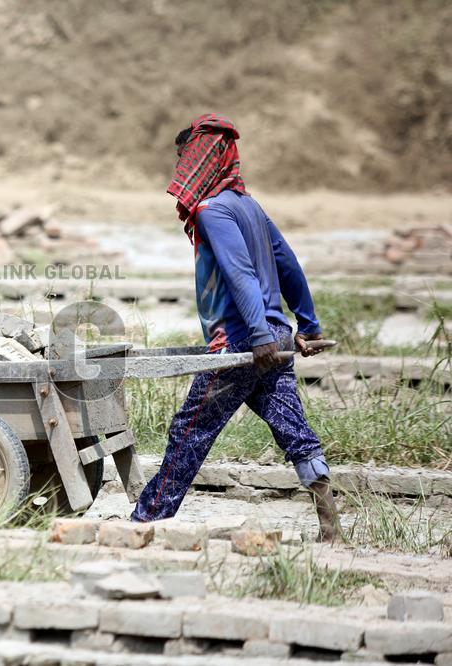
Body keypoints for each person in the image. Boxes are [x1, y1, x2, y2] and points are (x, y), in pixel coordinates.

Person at [130, 114, 340, 541]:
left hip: (245, 342)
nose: (181, 169)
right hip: (277, 336)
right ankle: (330, 525)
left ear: (201, 159)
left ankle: (146, 523)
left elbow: (240, 272)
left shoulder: (211, 211)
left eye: (184, 158)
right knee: (291, 425)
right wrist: (308, 326)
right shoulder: (250, 206)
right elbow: (288, 265)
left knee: (190, 429)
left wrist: (259, 337)